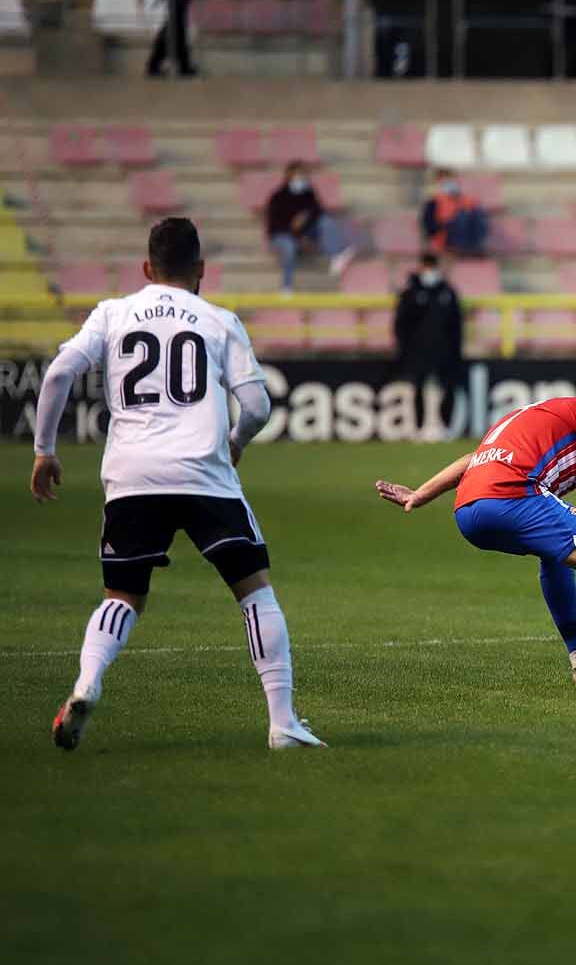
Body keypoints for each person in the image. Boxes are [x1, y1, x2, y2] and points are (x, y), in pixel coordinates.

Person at [29, 217, 323, 750]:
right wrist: (234, 443)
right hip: (204, 473)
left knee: (122, 596)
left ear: (146, 267)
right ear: (201, 270)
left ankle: (86, 684)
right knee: (255, 592)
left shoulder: (113, 313)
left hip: (132, 475)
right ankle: (282, 723)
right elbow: (257, 405)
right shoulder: (218, 320)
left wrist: (45, 450)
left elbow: (57, 375)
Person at [374, 375, 576, 695]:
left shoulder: (542, 411)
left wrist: (421, 494)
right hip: (511, 494)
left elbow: (474, 459)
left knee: (556, 555)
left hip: (469, 510)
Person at [395, 253, 463, 442]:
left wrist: (455, 349)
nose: (430, 271)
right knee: (417, 388)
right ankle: (417, 428)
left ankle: (445, 426)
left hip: (445, 351)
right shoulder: (411, 292)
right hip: (418, 351)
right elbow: (401, 324)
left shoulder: (447, 292)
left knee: (447, 388)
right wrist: (405, 349)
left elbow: (456, 324)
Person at [264, 160, 355, 294]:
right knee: (288, 246)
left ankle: (336, 254)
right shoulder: (278, 196)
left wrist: (305, 217)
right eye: (297, 175)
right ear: (289, 175)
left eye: (302, 174)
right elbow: (274, 225)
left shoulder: (309, 193)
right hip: (283, 234)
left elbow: (318, 211)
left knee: (326, 222)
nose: (300, 178)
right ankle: (286, 287)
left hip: (305, 233)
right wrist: (295, 233)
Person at [420, 169, 489, 259]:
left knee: (471, 215)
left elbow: (481, 224)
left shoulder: (470, 201)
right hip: (445, 239)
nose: (448, 184)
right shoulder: (433, 203)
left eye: (450, 180)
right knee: (461, 217)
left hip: (469, 240)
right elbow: (429, 226)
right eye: (444, 181)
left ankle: (471, 249)